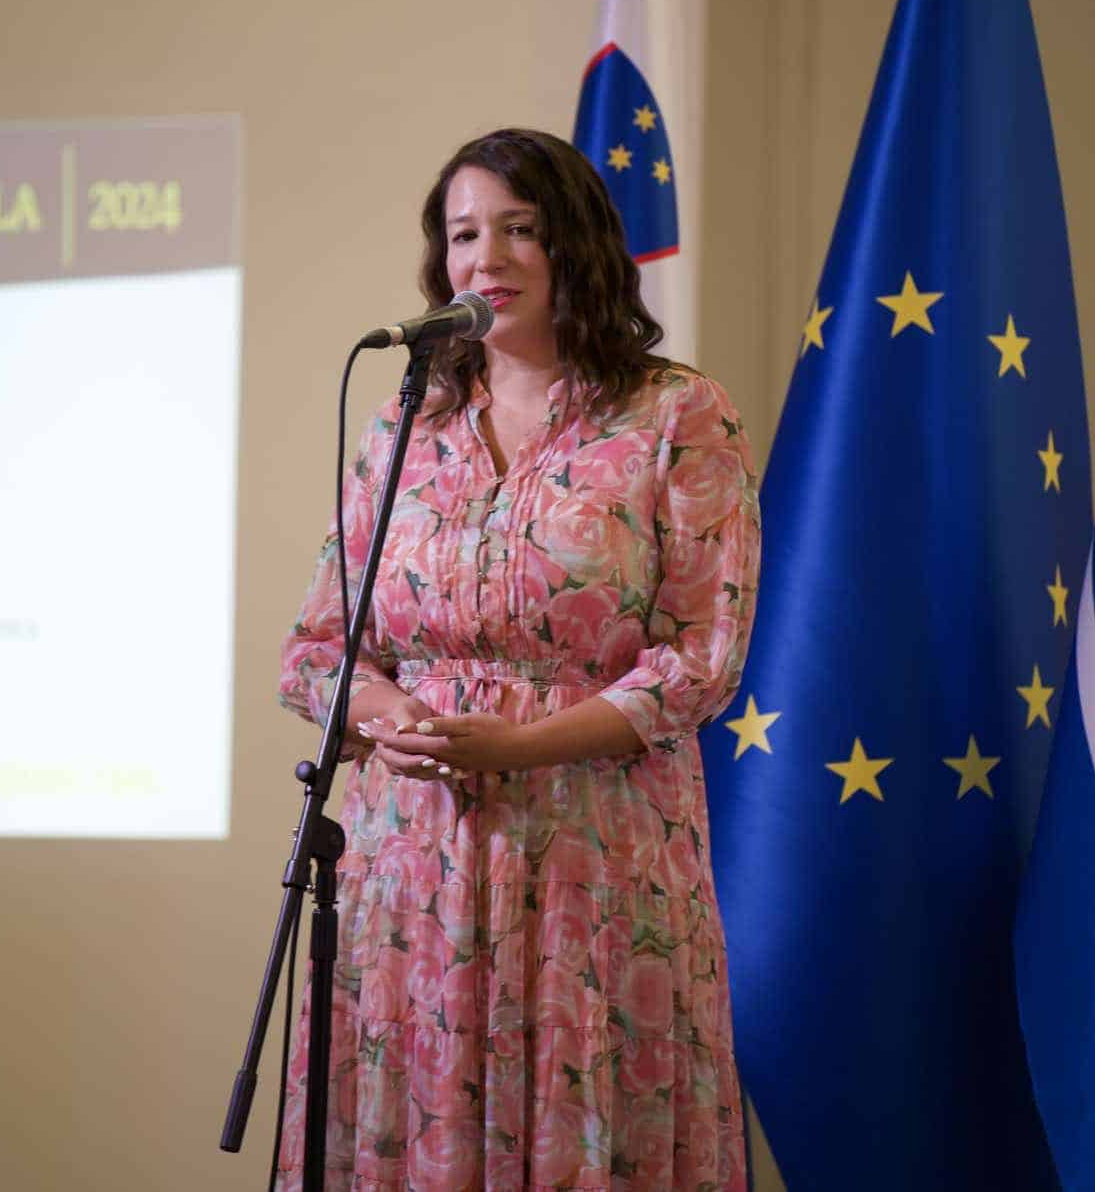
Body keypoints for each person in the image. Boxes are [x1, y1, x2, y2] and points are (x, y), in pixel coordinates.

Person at [277, 127, 759, 1190]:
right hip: (413, 875)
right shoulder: (405, 426)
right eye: (462, 235)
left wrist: (522, 746)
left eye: (517, 228)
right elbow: (317, 650)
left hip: (596, 862)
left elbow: (700, 657)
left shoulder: (676, 412)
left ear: (573, 242)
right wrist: (390, 717)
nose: (485, 258)